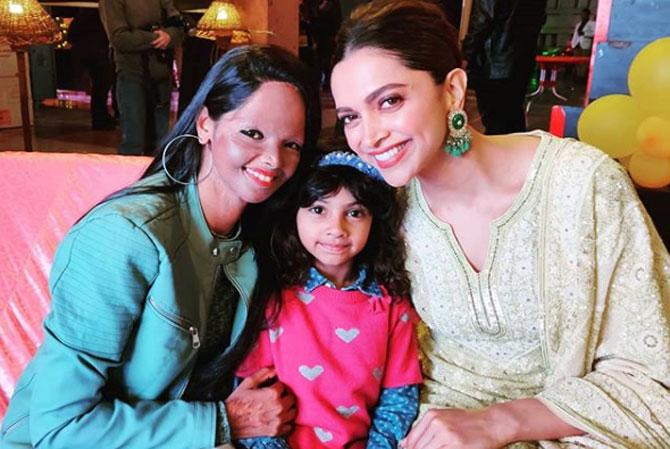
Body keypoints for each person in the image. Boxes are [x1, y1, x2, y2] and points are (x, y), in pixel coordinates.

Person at [330, 1, 670, 448]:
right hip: (437, 423)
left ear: (452, 90)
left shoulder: (582, 183)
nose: (368, 137)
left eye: (389, 101)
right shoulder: (385, 207)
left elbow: (650, 372)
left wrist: (500, 423)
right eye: (350, 117)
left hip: (585, 423)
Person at [0, 44, 321, 449]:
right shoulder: (123, 236)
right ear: (205, 124)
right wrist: (225, 421)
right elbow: (61, 429)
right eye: (252, 133)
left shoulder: (260, 236)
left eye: (291, 144)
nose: (273, 160)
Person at [235, 151, 423, 449]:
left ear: (374, 220)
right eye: (319, 210)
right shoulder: (272, 297)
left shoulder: (391, 304)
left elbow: (399, 399)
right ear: (294, 214)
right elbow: (254, 398)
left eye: (355, 212)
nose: (336, 228)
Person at [99, 0, 184, 156]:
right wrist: (155, 38)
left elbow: (179, 25)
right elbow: (119, 38)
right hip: (132, 72)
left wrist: (169, 36)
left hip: (160, 72)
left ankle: (157, 178)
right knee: (134, 140)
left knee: (160, 143)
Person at [461, 0, 548, 134]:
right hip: (522, 61)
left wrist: (466, 55)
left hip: (494, 63)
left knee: (495, 122)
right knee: (513, 117)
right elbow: (540, 19)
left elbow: (483, 20)